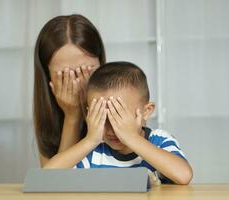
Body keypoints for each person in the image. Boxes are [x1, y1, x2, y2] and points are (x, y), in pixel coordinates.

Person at [44, 61, 193, 185]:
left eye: (119, 118)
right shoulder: (95, 153)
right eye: (103, 119)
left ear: (146, 111)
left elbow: (184, 175)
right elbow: (46, 179)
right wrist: (90, 140)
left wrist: (131, 137)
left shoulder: (158, 140)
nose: (111, 130)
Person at [33, 14, 106, 167]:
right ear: (47, 77)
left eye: (85, 70)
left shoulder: (122, 95)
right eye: (65, 75)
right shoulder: (47, 109)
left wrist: (91, 103)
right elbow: (53, 181)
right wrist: (72, 116)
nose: (77, 81)